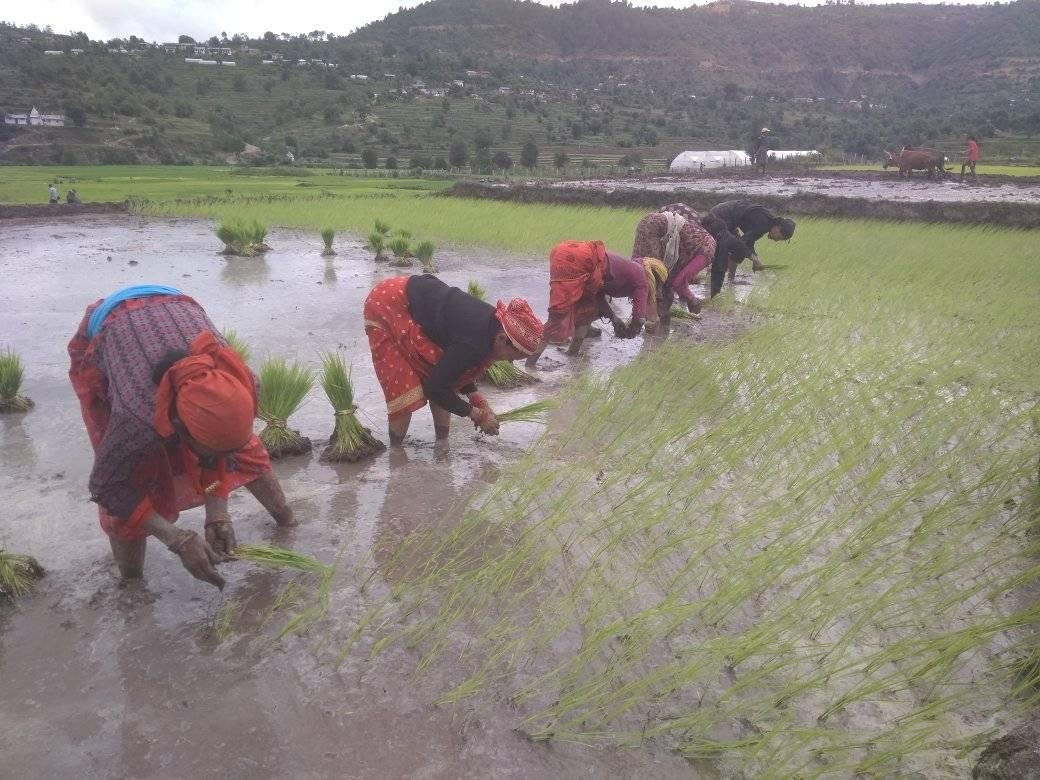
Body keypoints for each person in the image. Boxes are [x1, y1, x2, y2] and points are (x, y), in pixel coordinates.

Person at [68, 284, 296, 589]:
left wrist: (218, 514)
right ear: (177, 424)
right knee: (132, 474)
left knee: (244, 452)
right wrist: (177, 539)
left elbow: (218, 456)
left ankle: (289, 522)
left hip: (175, 303)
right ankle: (132, 586)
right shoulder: (136, 414)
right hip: (108, 328)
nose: (213, 455)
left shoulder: (242, 384)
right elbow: (106, 485)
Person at [364, 274, 543, 444]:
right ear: (502, 339)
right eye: (513, 356)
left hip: (422, 300)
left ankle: (442, 445)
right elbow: (435, 388)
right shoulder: (474, 341)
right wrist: (476, 414)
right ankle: (396, 456)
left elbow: (454, 370)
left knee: (440, 377)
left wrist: (478, 400)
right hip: (390, 304)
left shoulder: (494, 328)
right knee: (404, 391)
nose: (511, 362)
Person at [526, 241, 652, 366]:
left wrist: (613, 317)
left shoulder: (626, 266)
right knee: (558, 316)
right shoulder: (642, 278)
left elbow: (597, 296)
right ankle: (531, 363)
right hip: (582, 261)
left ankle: (572, 351)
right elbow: (638, 317)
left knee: (585, 309)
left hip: (561, 252)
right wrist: (630, 331)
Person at [631, 205, 718, 317]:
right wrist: (692, 299)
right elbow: (679, 283)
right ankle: (650, 324)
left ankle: (652, 323)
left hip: (650, 222)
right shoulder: (709, 248)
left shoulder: (699, 237)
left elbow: (672, 280)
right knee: (651, 281)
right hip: (654, 228)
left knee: (644, 276)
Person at [702, 200, 796, 295]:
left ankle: (728, 279)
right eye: (779, 238)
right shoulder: (763, 224)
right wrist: (754, 259)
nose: (776, 240)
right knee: (729, 248)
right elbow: (742, 243)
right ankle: (720, 280)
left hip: (726, 216)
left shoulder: (766, 222)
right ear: (778, 228)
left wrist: (755, 258)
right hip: (721, 216)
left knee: (738, 250)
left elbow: (748, 242)